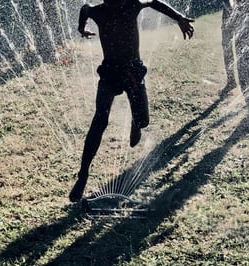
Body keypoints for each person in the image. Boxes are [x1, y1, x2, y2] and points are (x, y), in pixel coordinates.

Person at [69, 0, 194, 202]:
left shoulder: (131, 5)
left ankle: (136, 123)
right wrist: (81, 27)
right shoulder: (99, 11)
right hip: (109, 72)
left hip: (133, 71)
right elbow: (85, 9)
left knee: (143, 120)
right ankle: (82, 175)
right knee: (99, 120)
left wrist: (179, 18)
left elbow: (154, 2)